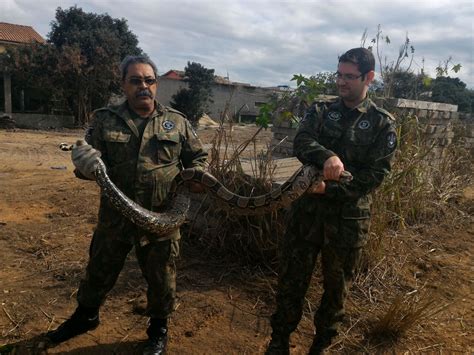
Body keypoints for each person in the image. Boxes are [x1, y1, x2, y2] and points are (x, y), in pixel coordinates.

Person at [46, 55, 207, 355]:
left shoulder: (178, 122)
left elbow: (198, 160)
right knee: (99, 269)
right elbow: (89, 166)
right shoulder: (104, 119)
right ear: (123, 84)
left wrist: (198, 178)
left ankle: (158, 329)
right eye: (135, 80)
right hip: (115, 216)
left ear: (156, 84)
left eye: (149, 80)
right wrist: (83, 166)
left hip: (163, 216)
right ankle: (86, 317)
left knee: (162, 276)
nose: (143, 86)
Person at [266, 48, 397, 354]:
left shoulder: (382, 124)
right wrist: (328, 155)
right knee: (291, 283)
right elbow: (302, 141)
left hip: (347, 222)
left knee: (336, 291)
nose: (341, 82)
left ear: (369, 78)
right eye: (339, 74)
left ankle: (320, 346)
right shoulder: (321, 110)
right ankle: (279, 341)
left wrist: (329, 190)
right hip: (306, 217)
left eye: (349, 76)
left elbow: (375, 176)